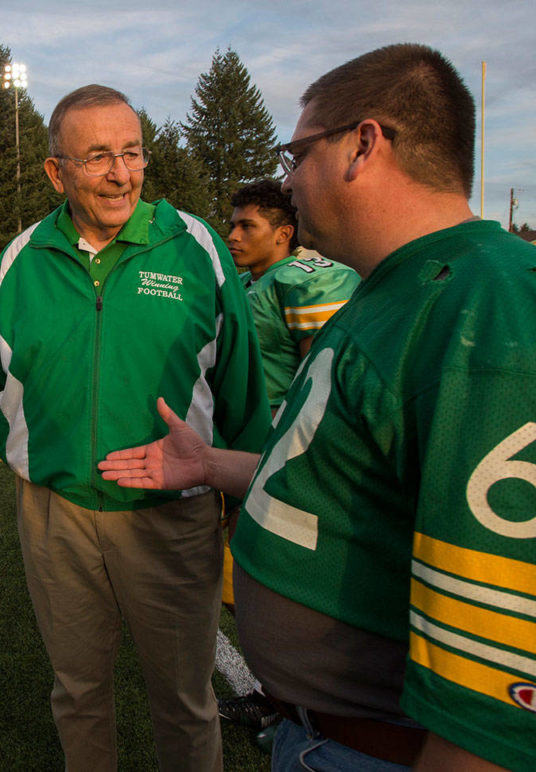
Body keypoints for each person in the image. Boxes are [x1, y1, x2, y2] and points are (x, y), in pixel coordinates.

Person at [99, 44, 536, 771]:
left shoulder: (488, 311)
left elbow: (505, 669)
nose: (287, 178)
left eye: (297, 151)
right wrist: (211, 462)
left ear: (364, 145)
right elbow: (346, 480)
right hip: (326, 736)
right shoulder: (399, 286)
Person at [0, 84, 271, 771]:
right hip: (55, 516)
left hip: (174, 516)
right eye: (98, 156)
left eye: (131, 153)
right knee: (77, 693)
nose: (120, 173)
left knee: (184, 702)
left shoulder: (196, 250)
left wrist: (244, 497)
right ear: (57, 172)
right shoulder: (22, 259)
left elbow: (244, 389)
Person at [216, 180, 360, 731]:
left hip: (287, 457)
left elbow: (324, 380)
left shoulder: (308, 278)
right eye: (231, 224)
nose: (232, 235)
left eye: (246, 226)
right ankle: (278, 689)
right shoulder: (254, 280)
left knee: (284, 584)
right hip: (246, 449)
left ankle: (302, 695)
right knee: (243, 582)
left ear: (284, 233)